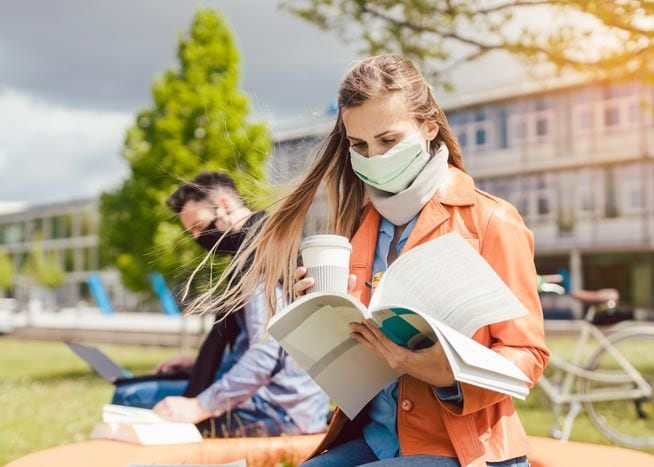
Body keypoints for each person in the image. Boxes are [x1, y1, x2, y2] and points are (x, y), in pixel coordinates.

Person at [205, 55, 549, 465]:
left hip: (460, 449)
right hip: (378, 438)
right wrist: (317, 319)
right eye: (359, 145)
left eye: (388, 140)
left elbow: (527, 354)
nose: (373, 157)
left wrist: (447, 374)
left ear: (429, 127)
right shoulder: (358, 225)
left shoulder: (490, 219)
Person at [113, 171, 330, 438]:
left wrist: (199, 407)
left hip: (278, 410)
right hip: (294, 403)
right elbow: (262, 346)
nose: (197, 237)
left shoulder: (257, 261)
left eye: (199, 226)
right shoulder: (268, 242)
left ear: (225, 204)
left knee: (129, 397)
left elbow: (265, 356)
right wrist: (197, 365)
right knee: (147, 388)